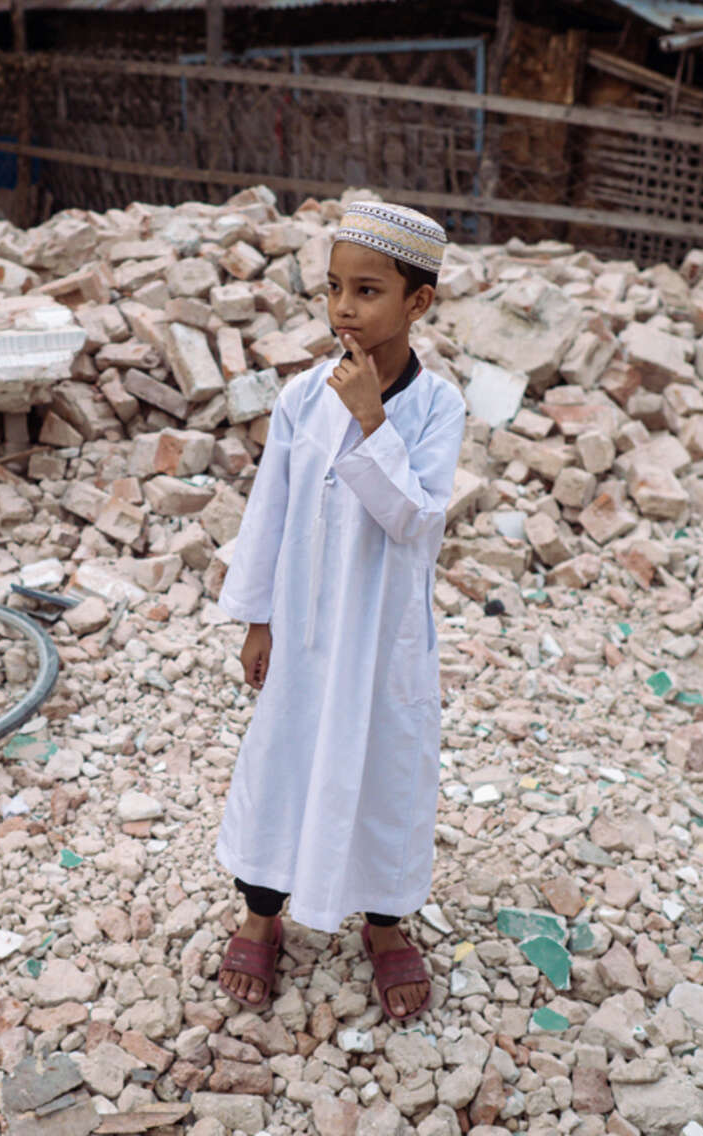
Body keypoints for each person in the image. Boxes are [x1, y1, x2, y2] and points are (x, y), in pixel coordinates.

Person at [213, 201, 466, 1022]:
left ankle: (384, 923)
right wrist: (258, 619)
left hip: (383, 638)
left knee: (385, 768)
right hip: (305, 628)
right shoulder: (300, 396)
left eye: (367, 290)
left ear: (417, 302)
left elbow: (417, 520)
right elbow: (269, 511)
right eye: (332, 289)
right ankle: (262, 912)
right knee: (284, 757)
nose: (344, 309)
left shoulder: (438, 407)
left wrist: (370, 419)